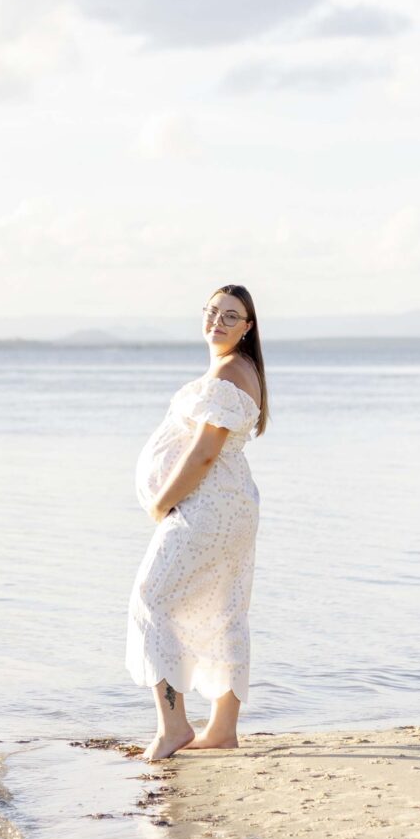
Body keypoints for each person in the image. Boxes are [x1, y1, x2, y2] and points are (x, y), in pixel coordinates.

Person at [125, 283, 266, 761]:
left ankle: (174, 726)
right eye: (211, 312)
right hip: (230, 505)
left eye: (230, 316)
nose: (217, 322)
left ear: (247, 328)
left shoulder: (229, 373)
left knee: (152, 599)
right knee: (226, 608)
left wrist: (160, 502)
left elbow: (204, 453)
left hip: (209, 506)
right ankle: (222, 730)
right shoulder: (237, 369)